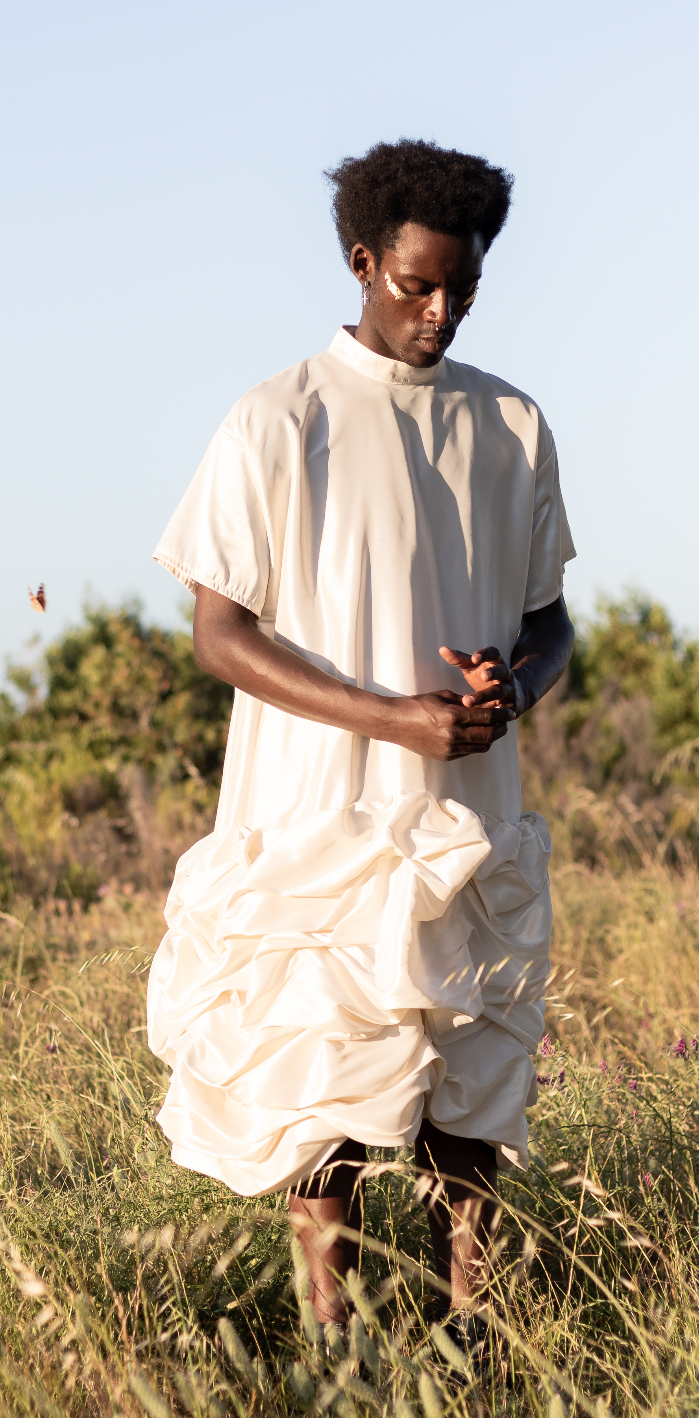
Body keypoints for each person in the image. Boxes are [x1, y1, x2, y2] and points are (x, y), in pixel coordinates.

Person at [147, 138, 575, 1339]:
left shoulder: (514, 422)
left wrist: (516, 685)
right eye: (417, 284)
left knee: (469, 1057)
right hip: (318, 802)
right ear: (363, 261)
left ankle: (471, 1328)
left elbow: (552, 621)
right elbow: (220, 635)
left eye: (464, 290)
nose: (441, 310)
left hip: (467, 797)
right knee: (325, 1068)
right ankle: (331, 1342)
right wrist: (394, 716)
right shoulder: (277, 418)